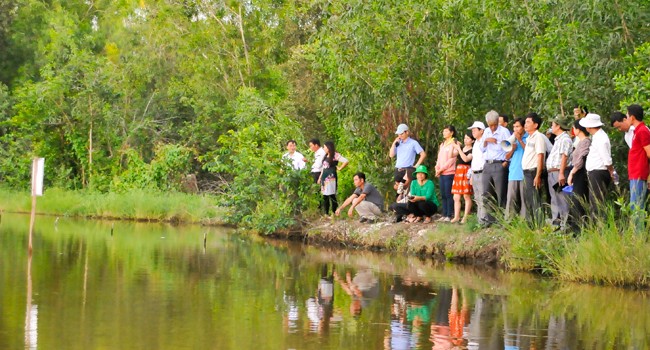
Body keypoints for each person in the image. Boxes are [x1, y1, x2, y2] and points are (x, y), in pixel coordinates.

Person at [480, 110, 511, 225]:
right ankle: (489, 218)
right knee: (487, 192)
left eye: (494, 125)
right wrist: (486, 141)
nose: (492, 128)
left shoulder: (504, 132)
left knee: (500, 192)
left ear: (498, 122)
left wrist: (506, 161)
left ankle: (502, 219)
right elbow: (481, 149)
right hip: (487, 163)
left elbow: (509, 148)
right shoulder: (487, 131)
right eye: (490, 125)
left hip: (499, 164)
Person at [580, 113, 615, 215]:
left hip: (598, 172)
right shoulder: (597, 136)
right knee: (594, 200)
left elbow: (606, 158)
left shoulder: (601, 138)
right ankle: (596, 224)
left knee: (596, 202)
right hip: (595, 172)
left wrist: (611, 170)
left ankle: (598, 225)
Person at [546, 116, 573, 227]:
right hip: (553, 172)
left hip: (559, 172)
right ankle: (556, 222)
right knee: (555, 198)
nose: (551, 127)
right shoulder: (558, 139)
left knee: (562, 198)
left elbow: (564, 157)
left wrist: (561, 173)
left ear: (558, 126)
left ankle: (565, 224)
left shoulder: (565, 139)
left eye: (553, 124)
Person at [521, 112, 547, 226]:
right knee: (529, 199)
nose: (525, 124)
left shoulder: (539, 137)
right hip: (526, 172)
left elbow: (540, 156)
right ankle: (532, 224)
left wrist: (538, 175)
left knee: (536, 200)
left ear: (535, 125)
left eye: (528, 122)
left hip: (533, 172)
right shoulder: (529, 138)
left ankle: (539, 225)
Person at [623, 104, 650, 213]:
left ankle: (638, 230)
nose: (626, 118)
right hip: (635, 173)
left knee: (636, 206)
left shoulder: (642, 131)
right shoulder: (636, 131)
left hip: (639, 173)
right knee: (635, 205)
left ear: (632, 117)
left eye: (627, 115)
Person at [567, 120, 591, 232]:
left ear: (578, 129)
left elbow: (581, 159)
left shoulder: (586, 141)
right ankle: (575, 227)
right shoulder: (580, 142)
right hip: (577, 173)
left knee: (578, 200)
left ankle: (580, 228)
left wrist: (572, 172)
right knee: (575, 200)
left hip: (580, 173)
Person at [390, 124, 426, 195]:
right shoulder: (398, 143)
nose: (400, 135)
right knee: (398, 189)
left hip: (408, 169)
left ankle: (407, 199)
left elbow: (423, 154)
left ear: (407, 132)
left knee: (406, 187)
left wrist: (416, 166)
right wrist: (394, 143)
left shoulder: (413, 143)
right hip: (398, 168)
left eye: (401, 133)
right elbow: (391, 155)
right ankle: (400, 201)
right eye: (398, 134)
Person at [504, 118, 528, 219]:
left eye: (517, 126)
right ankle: (509, 221)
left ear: (523, 127)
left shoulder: (528, 137)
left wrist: (519, 139)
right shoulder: (512, 138)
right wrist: (512, 149)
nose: (515, 129)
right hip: (513, 172)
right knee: (511, 199)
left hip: (524, 173)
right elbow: (507, 157)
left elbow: (528, 150)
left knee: (524, 200)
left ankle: (525, 221)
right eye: (514, 127)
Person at [450, 131, 474, 224]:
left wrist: (459, 149)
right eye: (464, 138)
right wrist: (454, 146)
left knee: (466, 195)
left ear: (472, 140)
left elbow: (466, 159)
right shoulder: (462, 148)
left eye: (468, 138)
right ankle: (456, 216)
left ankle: (465, 217)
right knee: (456, 196)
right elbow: (451, 155)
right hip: (459, 171)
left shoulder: (473, 150)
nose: (465, 140)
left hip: (466, 171)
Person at [435, 125, 458, 221]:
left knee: (449, 194)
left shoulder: (455, 143)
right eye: (443, 131)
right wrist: (437, 168)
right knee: (443, 194)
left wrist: (442, 169)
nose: (444, 133)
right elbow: (439, 158)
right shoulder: (442, 144)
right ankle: (444, 214)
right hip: (441, 173)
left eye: (446, 131)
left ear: (451, 132)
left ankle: (449, 214)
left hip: (449, 172)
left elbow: (452, 159)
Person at [318, 141, 348, 215]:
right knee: (325, 196)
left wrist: (340, 168)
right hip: (324, 177)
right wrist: (320, 177)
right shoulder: (325, 156)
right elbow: (323, 168)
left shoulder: (335, 155)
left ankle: (334, 211)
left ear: (329, 147)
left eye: (325, 147)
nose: (324, 148)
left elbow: (346, 161)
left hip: (331, 177)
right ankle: (326, 213)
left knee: (331, 195)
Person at [468, 121, 486, 224]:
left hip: (482, 172)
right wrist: (471, 175)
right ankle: (480, 219)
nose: (473, 132)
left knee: (483, 196)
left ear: (481, 131)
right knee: (477, 197)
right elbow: (474, 160)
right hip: (475, 173)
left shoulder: (484, 142)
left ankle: (484, 219)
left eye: (475, 130)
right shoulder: (475, 143)